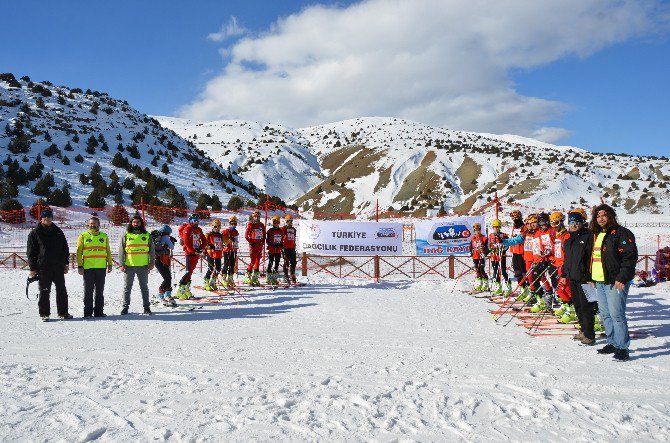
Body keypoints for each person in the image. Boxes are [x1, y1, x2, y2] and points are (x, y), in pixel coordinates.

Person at [589, 204, 637, 361]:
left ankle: (622, 347)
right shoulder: (598, 234)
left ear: (611, 216)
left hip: (615, 280)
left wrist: (622, 277)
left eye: (604, 215)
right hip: (600, 280)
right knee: (605, 314)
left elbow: (629, 257)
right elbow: (595, 258)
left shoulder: (621, 233)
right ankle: (612, 342)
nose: (601, 218)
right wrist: (593, 277)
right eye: (598, 216)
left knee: (617, 314)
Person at [27, 208, 72, 321]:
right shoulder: (35, 233)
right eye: (44, 216)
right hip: (43, 267)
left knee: (61, 290)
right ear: (41, 218)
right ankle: (44, 314)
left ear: (52, 218)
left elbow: (65, 248)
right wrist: (33, 268)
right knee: (45, 290)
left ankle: (63, 313)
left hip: (58, 266)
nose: (47, 218)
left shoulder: (58, 231)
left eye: (49, 216)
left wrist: (66, 263)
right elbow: (31, 252)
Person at [562, 209, 597, 345]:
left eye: (576, 222)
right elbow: (567, 259)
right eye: (571, 222)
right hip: (572, 277)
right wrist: (564, 273)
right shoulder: (569, 239)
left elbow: (592, 258)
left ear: (582, 222)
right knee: (577, 306)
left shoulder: (588, 236)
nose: (574, 225)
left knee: (587, 307)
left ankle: (589, 335)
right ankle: (583, 330)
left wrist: (591, 276)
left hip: (585, 278)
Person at [76, 216, 113, 318]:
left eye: (95, 223)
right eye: (91, 223)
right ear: (88, 224)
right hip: (88, 268)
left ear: (99, 225)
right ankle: (87, 313)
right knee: (88, 291)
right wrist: (80, 266)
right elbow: (79, 252)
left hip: (101, 267)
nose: (93, 225)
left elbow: (108, 251)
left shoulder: (104, 236)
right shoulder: (83, 236)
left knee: (100, 291)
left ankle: (99, 312)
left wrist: (110, 264)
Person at [119, 214, 155, 315]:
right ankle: (125, 307)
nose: (136, 224)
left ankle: (146, 307)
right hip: (129, 265)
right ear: (131, 223)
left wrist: (152, 263)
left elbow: (152, 251)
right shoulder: (126, 235)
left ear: (141, 223)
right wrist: (122, 263)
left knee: (144, 287)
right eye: (134, 222)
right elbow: (121, 250)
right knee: (127, 287)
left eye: (138, 222)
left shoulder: (147, 235)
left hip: (143, 266)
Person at [529, 212, 556, 312]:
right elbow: (537, 247)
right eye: (540, 222)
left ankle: (562, 302)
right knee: (534, 278)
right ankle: (540, 300)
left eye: (544, 221)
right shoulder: (538, 233)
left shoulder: (552, 231)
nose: (542, 224)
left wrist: (551, 250)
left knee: (555, 280)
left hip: (552, 259)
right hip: (542, 259)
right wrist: (536, 257)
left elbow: (557, 245)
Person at [176, 214, 206, 299]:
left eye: (197, 221)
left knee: (191, 272)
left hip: (196, 252)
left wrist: (201, 248)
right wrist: (193, 251)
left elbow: (204, 240)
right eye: (194, 221)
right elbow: (187, 243)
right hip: (189, 253)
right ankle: (180, 289)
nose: (196, 223)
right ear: (190, 221)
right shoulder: (187, 229)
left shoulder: (199, 229)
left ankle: (186, 289)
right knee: (188, 271)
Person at [153, 225, 176, 306]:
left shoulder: (157, 238)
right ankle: (161, 293)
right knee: (167, 278)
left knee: (168, 277)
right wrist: (172, 242)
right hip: (163, 260)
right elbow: (171, 247)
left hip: (157, 260)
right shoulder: (166, 237)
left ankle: (167, 294)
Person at [487, 219, 509, 295]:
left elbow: (507, 245)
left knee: (503, 271)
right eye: (495, 227)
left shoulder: (504, 235)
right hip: (494, 256)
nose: (496, 228)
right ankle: (498, 286)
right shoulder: (491, 235)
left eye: (498, 227)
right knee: (495, 271)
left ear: (500, 227)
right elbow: (489, 245)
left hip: (501, 255)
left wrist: (502, 249)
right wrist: (492, 248)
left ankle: (508, 286)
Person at [244, 210, 266, 285]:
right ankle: (248, 276)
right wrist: (251, 242)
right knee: (253, 261)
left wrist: (262, 243)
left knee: (258, 261)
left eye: (258, 216)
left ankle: (255, 278)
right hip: (253, 245)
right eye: (255, 217)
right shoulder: (251, 225)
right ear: (253, 217)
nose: (256, 218)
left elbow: (264, 235)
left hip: (259, 245)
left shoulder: (261, 225)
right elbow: (246, 236)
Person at [508, 210, 527, 294]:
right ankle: (522, 288)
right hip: (515, 252)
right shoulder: (514, 227)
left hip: (522, 252)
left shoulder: (524, 226)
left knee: (523, 271)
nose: (515, 219)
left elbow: (524, 238)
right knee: (517, 271)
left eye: (517, 218)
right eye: (513, 218)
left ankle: (528, 288)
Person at [203, 219, 225, 291]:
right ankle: (206, 281)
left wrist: (230, 239)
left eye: (218, 227)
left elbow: (225, 242)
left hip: (218, 253)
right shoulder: (209, 234)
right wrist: (209, 246)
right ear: (212, 226)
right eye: (215, 227)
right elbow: (204, 243)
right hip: (210, 253)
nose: (217, 228)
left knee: (218, 268)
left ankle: (213, 281)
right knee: (210, 268)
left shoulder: (220, 235)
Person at [221, 216, 239, 288]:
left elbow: (236, 240)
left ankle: (230, 278)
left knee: (232, 265)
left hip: (233, 250)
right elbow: (222, 242)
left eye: (235, 224)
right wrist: (229, 239)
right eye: (232, 223)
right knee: (226, 264)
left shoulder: (236, 232)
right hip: (227, 250)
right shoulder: (225, 231)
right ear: (229, 223)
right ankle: (224, 279)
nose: (233, 225)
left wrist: (236, 245)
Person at [469, 222, 489, 291]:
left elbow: (488, 247)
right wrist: (470, 252)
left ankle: (485, 283)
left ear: (480, 230)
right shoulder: (473, 238)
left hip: (481, 255)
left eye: (478, 230)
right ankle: (479, 283)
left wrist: (485, 253)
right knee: (477, 270)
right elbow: (471, 246)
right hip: (475, 256)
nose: (477, 231)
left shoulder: (484, 238)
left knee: (481, 269)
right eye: (476, 230)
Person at [266, 216, 283, 284]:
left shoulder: (281, 231)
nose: (276, 224)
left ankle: (274, 278)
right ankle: (269, 278)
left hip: (278, 250)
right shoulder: (270, 231)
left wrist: (281, 245)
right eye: (275, 222)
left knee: (277, 264)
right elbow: (267, 240)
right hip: (272, 250)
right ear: (273, 223)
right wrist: (272, 244)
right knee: (270, 263)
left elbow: (281, 240)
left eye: (277, 222)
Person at [282, 215, 298, 284]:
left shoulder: (294, 229)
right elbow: (279, 236)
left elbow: (294, 238)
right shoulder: (283, 228)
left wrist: (294, 245)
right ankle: (285, 276)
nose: (290, 222)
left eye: (291, 221)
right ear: (286, 221)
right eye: (289, 221)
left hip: (292, 248)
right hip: (285, 248)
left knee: (294, 262)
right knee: (286, 262)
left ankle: (292, 274)